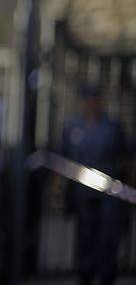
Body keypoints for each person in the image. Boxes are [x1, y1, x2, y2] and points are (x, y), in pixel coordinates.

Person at [60, 84, 126, 285]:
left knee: (107, 235)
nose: (92, 104)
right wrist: (60, 188)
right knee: (85, 234)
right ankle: (85, 273)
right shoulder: (73, 126)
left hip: (109, 191)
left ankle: (107, 274)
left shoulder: (112, 126)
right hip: (82, 192)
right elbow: (63, 159)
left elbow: (127, 157)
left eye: (95, 99)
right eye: (88, 99)